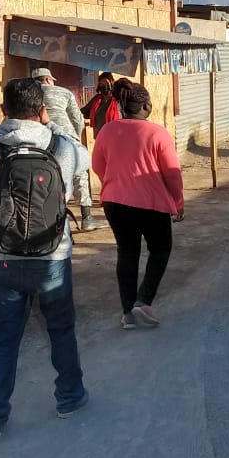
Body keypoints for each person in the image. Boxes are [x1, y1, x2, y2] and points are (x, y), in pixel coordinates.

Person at [0, 77, 89, 443]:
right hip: (52, 257)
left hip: (1, 258)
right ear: (42, 109)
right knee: (60, 330)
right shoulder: (60, 146)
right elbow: (86, 159)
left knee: (4, 338)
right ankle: (69, 398)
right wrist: (52, 128)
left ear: (4, 110)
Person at [91, 79, 184, 330]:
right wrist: (177, 201)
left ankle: (128, 314)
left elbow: (98, 165)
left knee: (127, 253)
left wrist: (113, 182)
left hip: (115, 202)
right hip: (151, 204)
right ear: (145, 106)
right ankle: (143, 301)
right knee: (160, 250)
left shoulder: (107, 131)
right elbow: (172, 173)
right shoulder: (157, 133)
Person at [33, 66, 103, 232]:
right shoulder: (63, 92)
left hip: (40, 139)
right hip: (66, 136)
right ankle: (87, 217)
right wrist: (76, 137)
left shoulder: (31, 94)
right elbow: (77, 119)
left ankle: (51, 221)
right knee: (80, 174)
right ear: (49, 79)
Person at [82, 72, 122, 137]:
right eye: (101, 84)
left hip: (116, 136)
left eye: (106, 83)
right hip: (99, 137)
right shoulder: (96, 100)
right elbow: (84, 112)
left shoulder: (118, 99)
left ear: (111, 83)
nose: (103, 86)